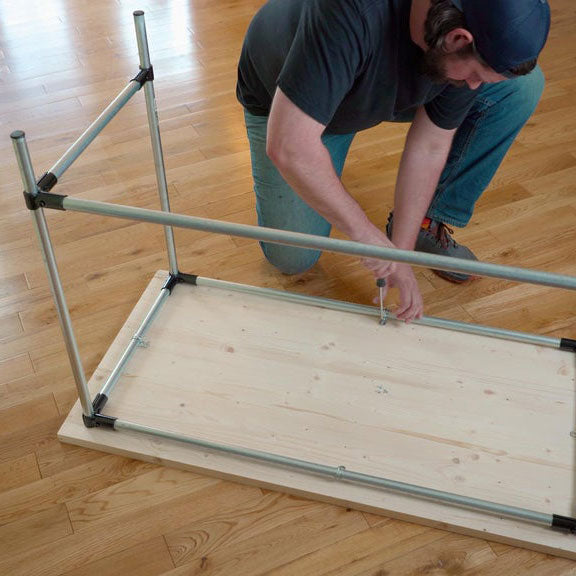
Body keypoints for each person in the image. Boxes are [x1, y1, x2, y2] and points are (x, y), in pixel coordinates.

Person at [236, 0, 550, 322]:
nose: (473, 85)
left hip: (376, 87)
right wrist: (369, 240)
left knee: (520, 89)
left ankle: (424, 226)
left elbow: (430, 144)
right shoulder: (350, 11)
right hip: (291, 100)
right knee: (292, 258)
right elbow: (290, 146)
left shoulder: (468, 33)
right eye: (474, 75)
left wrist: (398, 254)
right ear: (458, 39)